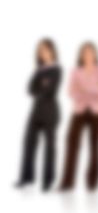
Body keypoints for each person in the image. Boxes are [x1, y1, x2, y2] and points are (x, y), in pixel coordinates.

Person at [59, 42, 98, 191]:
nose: (87, 54)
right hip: (79, 111)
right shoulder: (75, 71)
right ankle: (67, 182)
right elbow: (71, 91)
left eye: (90, 52)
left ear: (95, 54)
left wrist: (84, 90)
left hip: (97, 112)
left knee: (95, 146)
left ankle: (92, 183)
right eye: (84, 52)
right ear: (81, 55)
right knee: (72, 144)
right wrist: (90, 91)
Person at [16, 38, 62, 191]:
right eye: (40, 50)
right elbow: (29, 89)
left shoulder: (57, 69)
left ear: (52, 51)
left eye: (46, 49)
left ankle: (47, 181)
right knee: (28, 143)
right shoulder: (39, 70)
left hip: (50, 111)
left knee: (50, 147)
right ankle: (26, 177)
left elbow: (50, 91)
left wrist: (40, 87)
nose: (43, 53)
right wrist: (41, 84)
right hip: (35, 111)